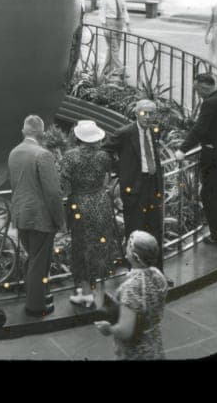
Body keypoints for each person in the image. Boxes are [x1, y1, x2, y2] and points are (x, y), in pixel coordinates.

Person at [60, 120, 121, 310]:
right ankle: (97, 289)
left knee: (81, 247)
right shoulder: (103, 156)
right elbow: (108, 177)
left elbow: (64, 186)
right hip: (102, 202)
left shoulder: (70, 157)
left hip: (80, 205)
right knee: (101, 245)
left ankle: (86, 292)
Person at [7, 114, 65, 316]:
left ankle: (35, 295)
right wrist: (60, 220)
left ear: (24, 131)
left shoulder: (14, 153)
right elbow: (53, 192)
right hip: (41, 217)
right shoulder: (43, 155)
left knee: (32, 258)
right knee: (40, 263)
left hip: (21, 215)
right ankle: (36, 305)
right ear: (42, 133)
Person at [174, 73, 217, 247]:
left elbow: (199, 130)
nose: (197, 94)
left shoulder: (209, 104)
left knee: (210, 197)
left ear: (203, 88)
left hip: (216, 158)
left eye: (197, 90)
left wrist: (182, 149)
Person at [104, 99, 166, 270]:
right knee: (135, 230)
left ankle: (157, 272)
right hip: (134, 190)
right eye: (144, 113)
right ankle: (136, 273)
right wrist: (122, 170)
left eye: (152, 114)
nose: (148, 117)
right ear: (136, 113)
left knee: (155, 229)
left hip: (153, 187)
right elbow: (105, 150)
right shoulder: (125, 133)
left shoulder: (154, 130)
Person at [94, 230, 169, 360]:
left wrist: (108, 329)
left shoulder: (131, 288)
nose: (125, 247)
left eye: (128, 245)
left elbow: (125, 330)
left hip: (136, 353)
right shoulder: (158, 276)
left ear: (135, 256)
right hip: (155, 344)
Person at [101, 0, 130, 79]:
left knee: (112, 48)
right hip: (110, 23)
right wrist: (104, 27)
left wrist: (127, 24)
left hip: (119, 24)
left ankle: (106, 69)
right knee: (115, 48)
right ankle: (121, 70)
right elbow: (102, 13)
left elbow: (124, 11)